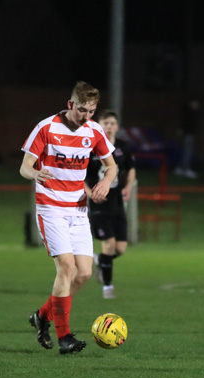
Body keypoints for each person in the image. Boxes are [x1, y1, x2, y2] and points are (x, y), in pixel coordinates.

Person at [21, 81, 117, 354]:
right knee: (66, 267)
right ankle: (65, 337)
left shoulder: (94, 131)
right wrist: (36, 173)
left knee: (84, 273)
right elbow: (25, 166)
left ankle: (42, 317)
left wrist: (106, 182)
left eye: (92, 111)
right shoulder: (47, 128)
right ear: (70, 105)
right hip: (50, 208)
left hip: (78, 211)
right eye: (83, 110)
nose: (87, 116)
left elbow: (112, 166)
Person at [86, 110, 136, 299]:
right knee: (109, 244)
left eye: (112, 123)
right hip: (99, 204)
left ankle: (100, 260)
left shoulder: (123, 147)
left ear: (117, 126)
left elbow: (131, 168)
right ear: (99, 125)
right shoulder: (90, 147)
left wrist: (129, 186)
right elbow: (79, 175)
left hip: (117, 201)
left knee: (120, 248)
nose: (109, 126)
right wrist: (91, 193)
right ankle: (108, 288)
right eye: (105, 123)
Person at [176, 97, 200, 178]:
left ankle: (181, 168)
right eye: (195, 103)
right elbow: (186, 124)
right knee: (187, 151)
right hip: (188, 134)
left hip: (188, 134)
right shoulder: (189, 113)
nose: (197, 105)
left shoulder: (190, 113)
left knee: (185, 151)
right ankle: (185, 169)